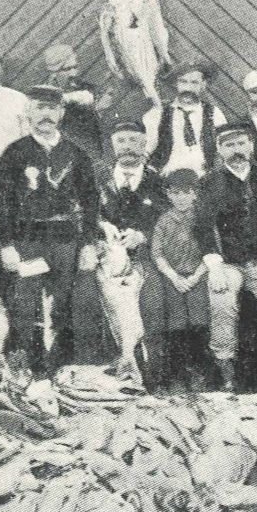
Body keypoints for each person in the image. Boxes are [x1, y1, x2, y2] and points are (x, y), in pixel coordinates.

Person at [0, 85, 99, 377]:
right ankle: (21, 369)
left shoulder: (76, 153)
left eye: (52, 108)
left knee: (63, 302)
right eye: (40, 108)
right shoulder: (15, 153)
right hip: (29, 239)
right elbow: (3, 202)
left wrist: (89, 243)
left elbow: (91, 201)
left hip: (66, 239)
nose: (46, 114)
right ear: (28, 112)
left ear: (62, 113)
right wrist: (7, 245)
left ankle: (61, 370)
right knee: (26, 303)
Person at [195, 122, 257, 390]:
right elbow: (202, 228)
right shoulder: (209, 183)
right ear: (219, 149)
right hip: (228, 263)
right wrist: (214, 266)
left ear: (251, 145)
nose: (236, 151)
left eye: (241, 144)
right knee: (222, 302)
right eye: (229, 145)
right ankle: (225, 366)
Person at [70, 121, 167, 389]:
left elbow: (167, 219)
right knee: (84, 297)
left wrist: (143, 235)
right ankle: (95, 370)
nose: (128, 148)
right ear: (112, 145)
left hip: (144, 257)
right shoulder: (95, 178)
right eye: (122, 141)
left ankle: (151, 371)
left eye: (135, 141)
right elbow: (79, 213)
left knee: (154, 297)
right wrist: (98, 230)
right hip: (104, 255)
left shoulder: (158, 182)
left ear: (145, 145)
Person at [151, 168, 210, 392]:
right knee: (176, 322)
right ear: (168, 194)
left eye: (186, 192)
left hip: (198, 276)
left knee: (200, 320)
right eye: (175, 193)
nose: (181, 198)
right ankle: (177, 374)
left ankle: (199, 372)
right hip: (173, 278)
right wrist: (174, 277)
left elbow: (212, 252)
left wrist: (195, 277)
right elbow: (157, 254)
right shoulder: (164, 221)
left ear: (195, 194)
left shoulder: (202, 218)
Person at [143, 61, 227, 176]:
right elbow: (146, 150)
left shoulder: (214, 113)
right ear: (175, 84)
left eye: (194, 83)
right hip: (166, 175)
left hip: (204, 177)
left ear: (203, 85)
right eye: (183, 81)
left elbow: (223, 147)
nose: (188, 88)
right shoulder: (158, 113)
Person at [43, 44, 104, 159]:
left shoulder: (87, 88)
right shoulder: (44, 94)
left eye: (75, 67)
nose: (73, 73)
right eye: (66, 69)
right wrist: (69, 98)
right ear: (53, 72)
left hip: (90, 152)